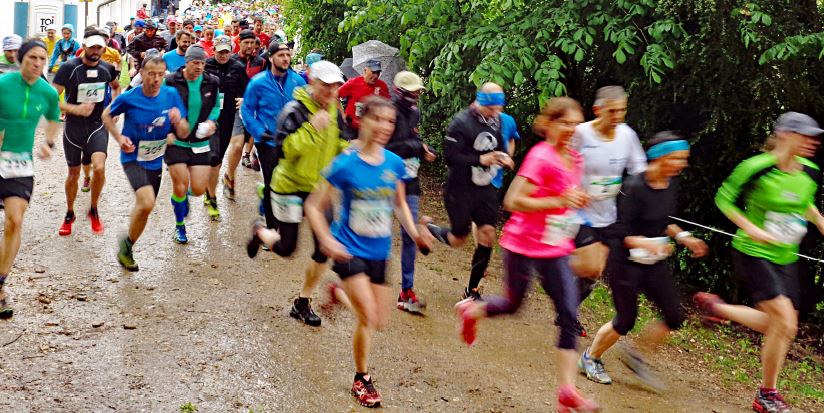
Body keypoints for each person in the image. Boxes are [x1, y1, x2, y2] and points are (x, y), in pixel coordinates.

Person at [454, 97, 599, 413]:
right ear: (549, 124)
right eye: (565, 123)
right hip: (523, 244)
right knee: (512, 304)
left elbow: (564, 199)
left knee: (570, 316)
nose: (572, 129)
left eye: (576, 123)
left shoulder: (575, 159)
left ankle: (567, 391)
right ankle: (472, 311)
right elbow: (513, 200)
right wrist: (560, 199)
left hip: (555, 246)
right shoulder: (540, 157)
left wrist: (577, 200)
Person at [304, 96, 432, 408]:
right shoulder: (345, 163)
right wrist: (326, 239)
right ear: (363, 121)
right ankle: (362, 378)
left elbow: (399, 203)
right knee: (369, 317)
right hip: (348, 250)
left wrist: (415, 232)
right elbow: (312, 206)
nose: (385, 127)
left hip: (379, 252)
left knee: (379, 322)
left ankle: (337, 292)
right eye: (378, 120)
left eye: (390, 121)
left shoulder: (394, 163)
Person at [695, 112, 824, 413]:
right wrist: (749, 227)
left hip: (785, 258)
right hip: (753, 252)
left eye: (813, 136)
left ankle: (718, 309)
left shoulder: (810, 170)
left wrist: (819, 220)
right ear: (784, 135)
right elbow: (723, 199)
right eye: (804, 135)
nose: (811, 142)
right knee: (785, 321)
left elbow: (803, 202)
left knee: (784, 327)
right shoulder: (755, 167)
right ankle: (767, 394)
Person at [579, 132, 707, 392]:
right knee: (625, 320)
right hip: (624, 263)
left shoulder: (670, 184)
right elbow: (618, 231)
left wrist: (683, 237)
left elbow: (663, 221)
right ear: (659, 158)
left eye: (684, 159)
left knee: (673, 316)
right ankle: (590, 357)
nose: (681, 165)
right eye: (677, 159)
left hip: (653, 262)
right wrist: (646, 242)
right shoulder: (634, 187)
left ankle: (635, 355)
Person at [246, 60, 346, 328]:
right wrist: (311, 128)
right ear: (312, 83)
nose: (331, 90)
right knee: (287, 248)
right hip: (289, 186)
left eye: (335, 85)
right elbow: (284, 151)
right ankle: (260, 231)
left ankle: (303, 301)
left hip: (318, 190)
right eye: (326, 85)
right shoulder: (294, 110)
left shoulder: (337, 111)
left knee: (324, 247)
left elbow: (342, 142)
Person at [423, 83, 514, 300]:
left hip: (484, 189)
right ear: (481, 102)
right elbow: (450, 159)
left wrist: (504, 157)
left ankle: (471, 290)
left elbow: (500, 145)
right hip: (460, 188)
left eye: (499, 108)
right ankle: (429, 228)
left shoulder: (497, 121)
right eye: (492, 108)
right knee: (458, 239)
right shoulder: (461, 123)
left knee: (487, 235)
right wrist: (480, 159)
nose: (496, 113)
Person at [101, 55, 188, 271]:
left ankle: (127, 245)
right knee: (147, 202)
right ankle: (127, 246)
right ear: (141, 73)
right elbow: (106, 115)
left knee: (144, 209)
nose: (156, 79)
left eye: (161, 74)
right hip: (133, 158)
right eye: (151, 74)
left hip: (155, 160)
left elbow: (184, 131)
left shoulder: (171, 95)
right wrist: (119, 138)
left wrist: (178, 123)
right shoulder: (130, 97)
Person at [572, 85, 646, 337]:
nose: (617, 117)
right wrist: (571, 189)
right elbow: (560, 161)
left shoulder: (626, 135)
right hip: (577, 211)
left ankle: (567, 310)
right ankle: (550, 266)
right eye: (612, 111)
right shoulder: (580, 133)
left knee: (594, 273)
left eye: (622, 111)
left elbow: (639, 171)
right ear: (597, 110)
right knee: (592, 267)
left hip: (608, 213)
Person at [0, 39, 61, 319]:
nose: (37, 64)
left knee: (15, 219)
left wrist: (49, 141)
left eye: (42, 59)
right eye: (32, 58)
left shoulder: (47, 92)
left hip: (19, 164)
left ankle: (0, 285)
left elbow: (53, 117)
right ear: (20, 59)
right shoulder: (3, 85)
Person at [52, 32, 121, 236]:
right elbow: (51, 99)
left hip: (97, 125)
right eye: (92, 47)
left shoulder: (107, 68)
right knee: (73, 174)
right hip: (73, 127)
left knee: (99, 168)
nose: (96, 51)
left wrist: (113, 107)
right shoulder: (69, 68)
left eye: (99, 47)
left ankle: (93, 209)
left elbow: (116, 87)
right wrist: (74, 109)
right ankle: (69, 213)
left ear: (104, 48)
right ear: (84, 46)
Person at [384, 71, 436, 313]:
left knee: (409, 236)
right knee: (378, 232)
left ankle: (406, 290)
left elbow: (414, 138)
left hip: (410, 180)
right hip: (387, 180)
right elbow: (388, 146)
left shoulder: (415, 112)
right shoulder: (389, 112)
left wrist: (425, 148)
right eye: (413, 91)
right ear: (401, 92)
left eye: (418, 91)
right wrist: (416, 146)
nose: (417, 94)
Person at [240, 40, 306, 229]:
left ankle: (287, 220)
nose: (286, 58)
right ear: (271, 58)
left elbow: (307, 109)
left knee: (293, 182)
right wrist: (260, 132)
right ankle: (271, 228)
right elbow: (246, 110)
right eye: (281, 55)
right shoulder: (258, 83)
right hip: (267, 142)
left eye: (287, 55)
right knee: (272, 183)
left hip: (293, 142)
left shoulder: (298, 81)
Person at [164, 45, 222, 238]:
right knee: (179, 185)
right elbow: (159, 105)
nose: (199, 67)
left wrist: (211, 122)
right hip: (177, 142)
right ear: (186, 63)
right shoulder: (171, 80)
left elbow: (215, 106)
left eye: (202, 63)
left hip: (200, 142)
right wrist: (165, 131)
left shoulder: (211, 81)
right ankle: (179, 225)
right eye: (195, 63)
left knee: (197, 189)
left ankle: (182, 198)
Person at [205, 35, 248, 203]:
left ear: (231, 51)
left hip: (228, 115)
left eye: (226, 52)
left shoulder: (237, 67)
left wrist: (243, 98)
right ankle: (210, 194)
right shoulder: (206, 65)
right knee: (212, 157)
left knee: (220, 156)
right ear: (214, 49)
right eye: (220, 51)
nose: (223, 55)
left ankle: (213, 185)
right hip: (209, 115)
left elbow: (246, 90)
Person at [233, 29, 266, 170]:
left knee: (253, 133)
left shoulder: (261, 62)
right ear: (239, 43)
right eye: (246, 42)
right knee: (237, 144)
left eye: (252, 42)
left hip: (254, 106)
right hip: (235, 106)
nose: (250, 46)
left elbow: (264, 84)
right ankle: (229, 172)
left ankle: (247, 155)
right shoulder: (232, 60)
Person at [337, 59, 389, 139]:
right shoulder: (353, 83)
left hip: (371, 132)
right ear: (365, 70)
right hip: (352, 130)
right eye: (373, 72)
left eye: (378, 73)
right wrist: (342, 114)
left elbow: (387, 106)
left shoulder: (382, 86)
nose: (376, 76)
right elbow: (335, 95)